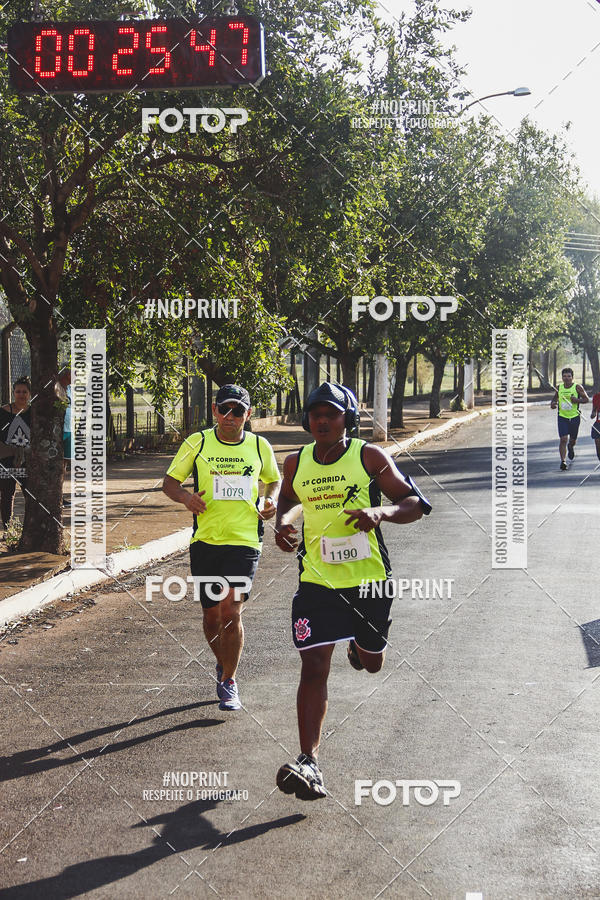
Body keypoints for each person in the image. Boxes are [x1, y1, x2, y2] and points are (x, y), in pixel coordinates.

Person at [274, 382, 432, 800]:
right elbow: (287, 499)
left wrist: (381, 511)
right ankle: (309, 762)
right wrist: (283, 524)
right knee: (312, 668)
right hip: (316, 582)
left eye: (331, 414)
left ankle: (360, 648)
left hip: (368, 582)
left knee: (373, 662)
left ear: (348, 418)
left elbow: (414, 504)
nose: (322, 420)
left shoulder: (369, 457)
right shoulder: (295, 462)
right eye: (315, 414)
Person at [162, 384, 280, 711]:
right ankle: (222, 662)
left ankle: (229, 680)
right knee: (212, 616)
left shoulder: (259, 446)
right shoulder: (197, 443)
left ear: (248, 414)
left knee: (231, 611)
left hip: (244, 541)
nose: (230, 417)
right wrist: (186, 498)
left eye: (237, 410)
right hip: (205, 542)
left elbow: (274, 478)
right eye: (224, 409)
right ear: (214, 411)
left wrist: (269, 499)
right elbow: (170, 482)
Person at [0, 377, 31, 529]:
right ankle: (7, 528)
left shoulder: (34, 413)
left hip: (28, 460)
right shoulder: (4, 411)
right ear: (13, 393)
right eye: (18, 391)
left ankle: (30, 529)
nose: (21, 395)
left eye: (24, 392)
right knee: (7, 494)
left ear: (30, 394)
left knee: (30, 494)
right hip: (6, 459)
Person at [550, 367, 589, 470]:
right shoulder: (559, 388)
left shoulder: (577, 387)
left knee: (572, 440)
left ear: (572, 377)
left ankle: (571, 447)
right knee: (563, 439)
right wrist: (553, 404)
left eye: (569, 376)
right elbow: (554, 400)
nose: (566, 378)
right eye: (564, 376)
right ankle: (563, 461)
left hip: (574, 417)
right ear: (562, 377)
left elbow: (586, 399)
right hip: (562, 417)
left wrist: (577, 400)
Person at [55, 368, 72, 506]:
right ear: (67, 374)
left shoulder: (70, 388)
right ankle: (56, 495)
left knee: (65, 463)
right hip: (59, 430)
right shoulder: (56, 387)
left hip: (69, 429)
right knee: (59, 463)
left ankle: (60, 495)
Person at [591, 390, 600, 461]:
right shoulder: (596, 397)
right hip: (598, 424)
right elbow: (594, 410)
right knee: (597, 443)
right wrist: (593, 414)